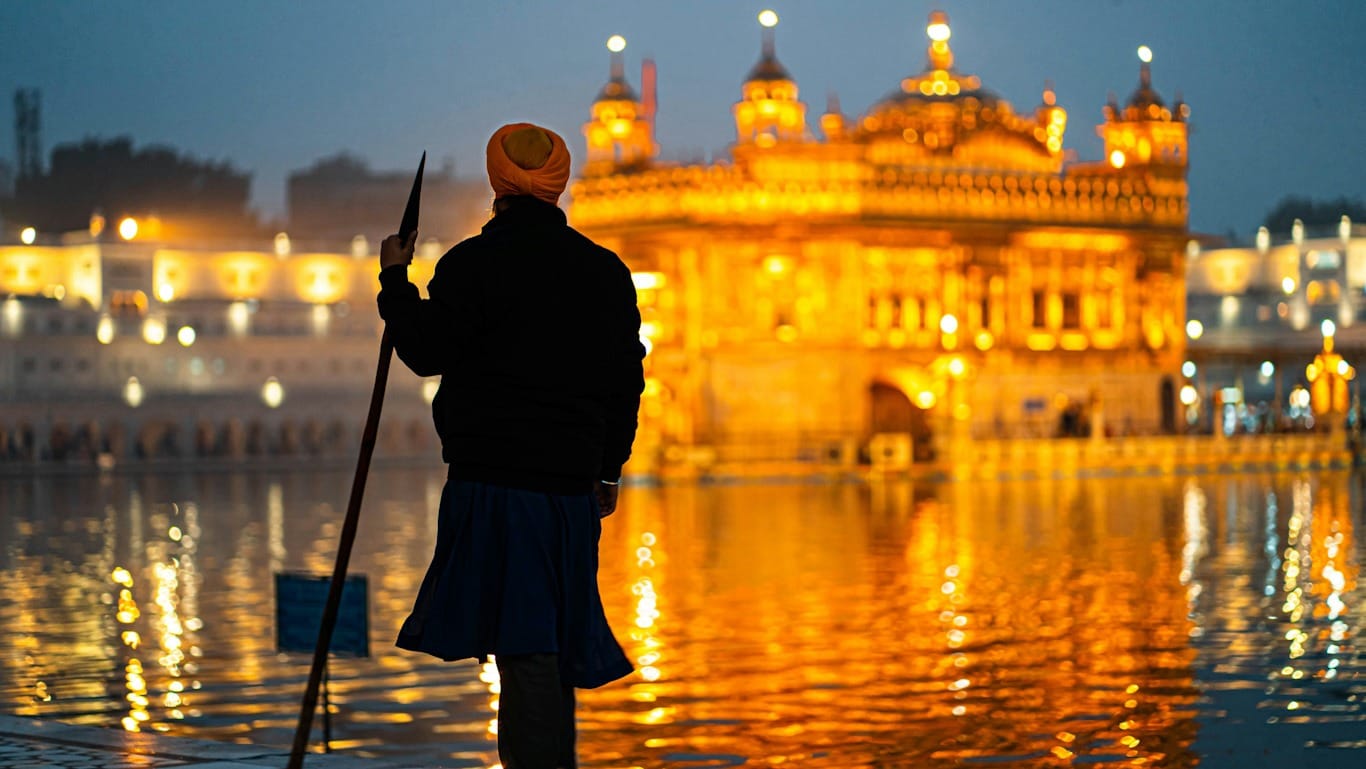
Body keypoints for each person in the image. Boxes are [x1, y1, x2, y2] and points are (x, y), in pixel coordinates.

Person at [377, 122, 645, 768]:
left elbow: (425, 349)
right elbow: (624, 384)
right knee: (548, 643)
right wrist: (608, 471)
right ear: (559, 184)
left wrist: (394, 279)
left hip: (494, 482)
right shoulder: (604, 271)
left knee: (526, 646)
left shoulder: (473, 264)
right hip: (571, 488)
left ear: (498, 183)